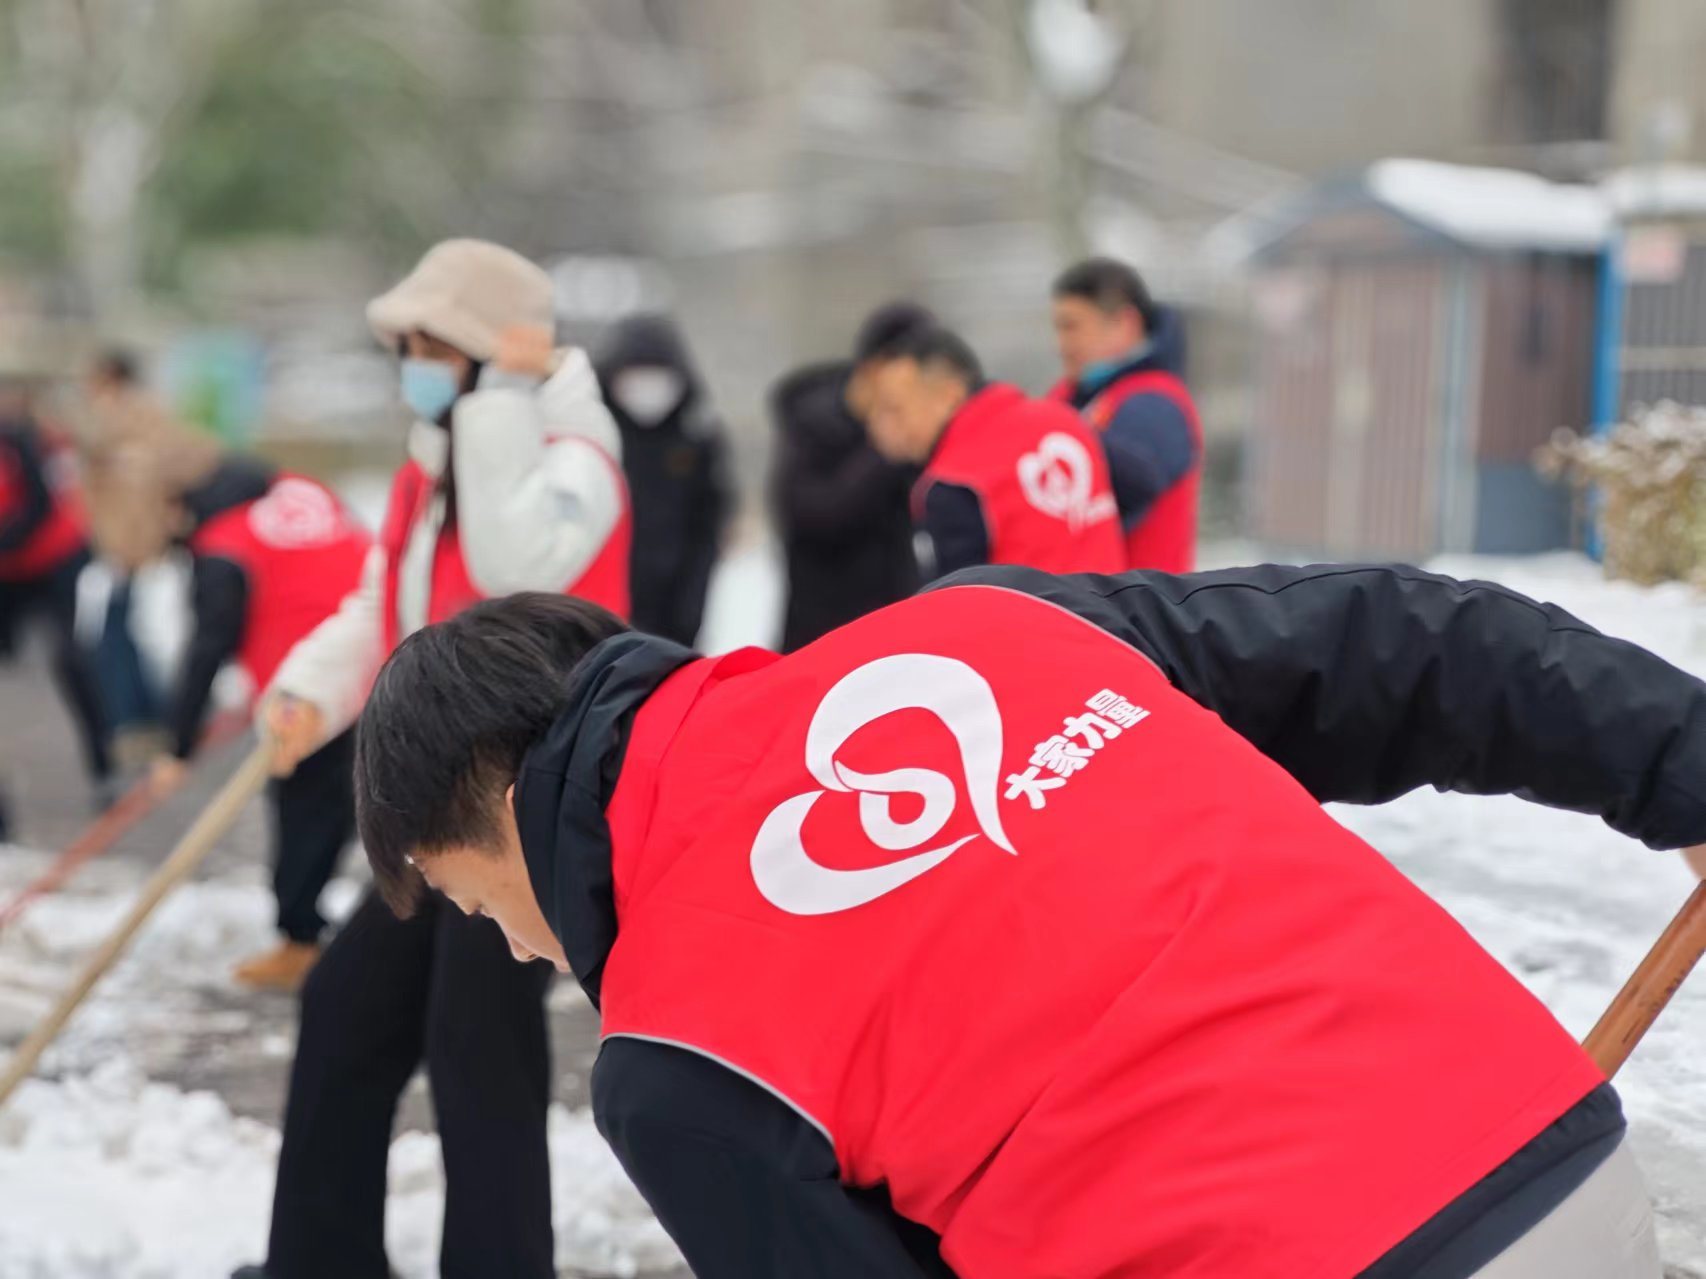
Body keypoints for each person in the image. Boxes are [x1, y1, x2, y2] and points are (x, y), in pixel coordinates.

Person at [350, 560, 1706, 1279]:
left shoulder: (673, 1056)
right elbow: (1399, 641)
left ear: (498, 811)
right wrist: (1681, 758)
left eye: (476, 904)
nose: (523, 949)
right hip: (1562, 1170)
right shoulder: (988, 629)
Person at [231, 238, 631, 1279]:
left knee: (476, 1050)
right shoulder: (434, 461)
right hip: (436, 795)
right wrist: (308, 693)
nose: (407, 361)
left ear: (483, 351)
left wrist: (501, 400)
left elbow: (511, 566)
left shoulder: (577, 456)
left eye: (425, 343)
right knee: (345, 1007)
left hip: (522, 807)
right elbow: (383, 608)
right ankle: (319, 1260)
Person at [144, 457, 372, 990]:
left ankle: (301, 939)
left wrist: (178, 748)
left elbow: (209, 644)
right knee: (355, 804)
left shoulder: (224, 541)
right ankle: (332, 933)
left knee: (304, 808)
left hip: (312, 687)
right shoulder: (307, 492)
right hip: (382, 655)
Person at [867, 325, 1124, 578]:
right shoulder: (1065, 418)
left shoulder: (951, 482)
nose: (884, 426)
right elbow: (1139, 481)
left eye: (895, 410)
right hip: (1113, 612)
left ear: (950, 395)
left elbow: (955, 603)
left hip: (1032, 618)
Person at [769, 302, 932, 652]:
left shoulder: (917, 426)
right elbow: (811, 513)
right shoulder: (811, 423)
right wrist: (879, 455)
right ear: (874, 368)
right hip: (821, 632)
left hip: (899, 624)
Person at [1049, 257, 1202, 572]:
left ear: (1125, 323)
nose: (1062, 344)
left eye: (1072, 326)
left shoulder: (1155, 404)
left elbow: (1119, 495)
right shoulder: (1072, 397)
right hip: (1085, 602)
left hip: (1134, 609)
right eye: (1059, 328)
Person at [0, 385, 114, 806]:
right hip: (9, 568)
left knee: (71, 659)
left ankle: (106, 766)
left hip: (54, 557)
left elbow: (39, 507)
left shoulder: (15, 441)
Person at [593, 313, 731, 646]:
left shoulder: (696, 439)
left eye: (657, 374)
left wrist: (691, 610)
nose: (646, 386)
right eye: (634, 374)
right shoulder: (596, 435)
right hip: (601, 609)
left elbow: (707, 527)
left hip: (674, 612)